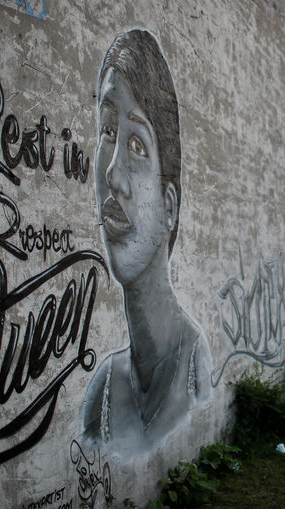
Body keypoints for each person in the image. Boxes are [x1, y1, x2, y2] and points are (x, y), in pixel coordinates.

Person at [80, 29, 211, 457]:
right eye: (106, 130)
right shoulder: (102, 391)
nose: (112, 175)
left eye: (136, 144)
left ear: (170, 205)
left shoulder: (196, 367)